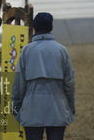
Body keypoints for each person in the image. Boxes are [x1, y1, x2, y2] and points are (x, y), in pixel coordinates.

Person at [12, 12, 75, 140]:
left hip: (31, 108)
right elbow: (69, 82)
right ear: (50, 27)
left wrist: (16, 106)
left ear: (34, 27)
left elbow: (19, 83)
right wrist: (70, 105)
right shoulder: (62, 50)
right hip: (57, 107)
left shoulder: (26, 51)